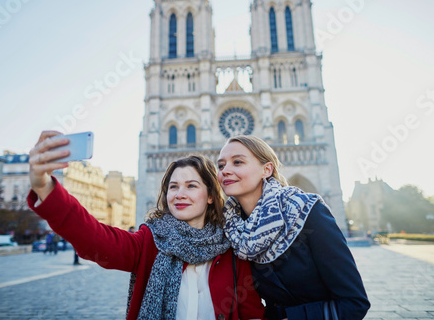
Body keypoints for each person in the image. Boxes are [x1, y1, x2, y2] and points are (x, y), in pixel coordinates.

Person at [27, 131, 265, 320]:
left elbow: (251, 311)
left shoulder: (232, 248)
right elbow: (95, 239)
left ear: (211, 196)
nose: (180, 194)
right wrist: (44, 187)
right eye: (173, 187)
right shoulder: (149, 242)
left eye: (191, 186)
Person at [217, 135, 370, 320]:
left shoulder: (307, 212)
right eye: (221, 165)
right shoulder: (233, 229)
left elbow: (354, 303)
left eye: (238, 162)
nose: (225, 170)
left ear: (266, 169)